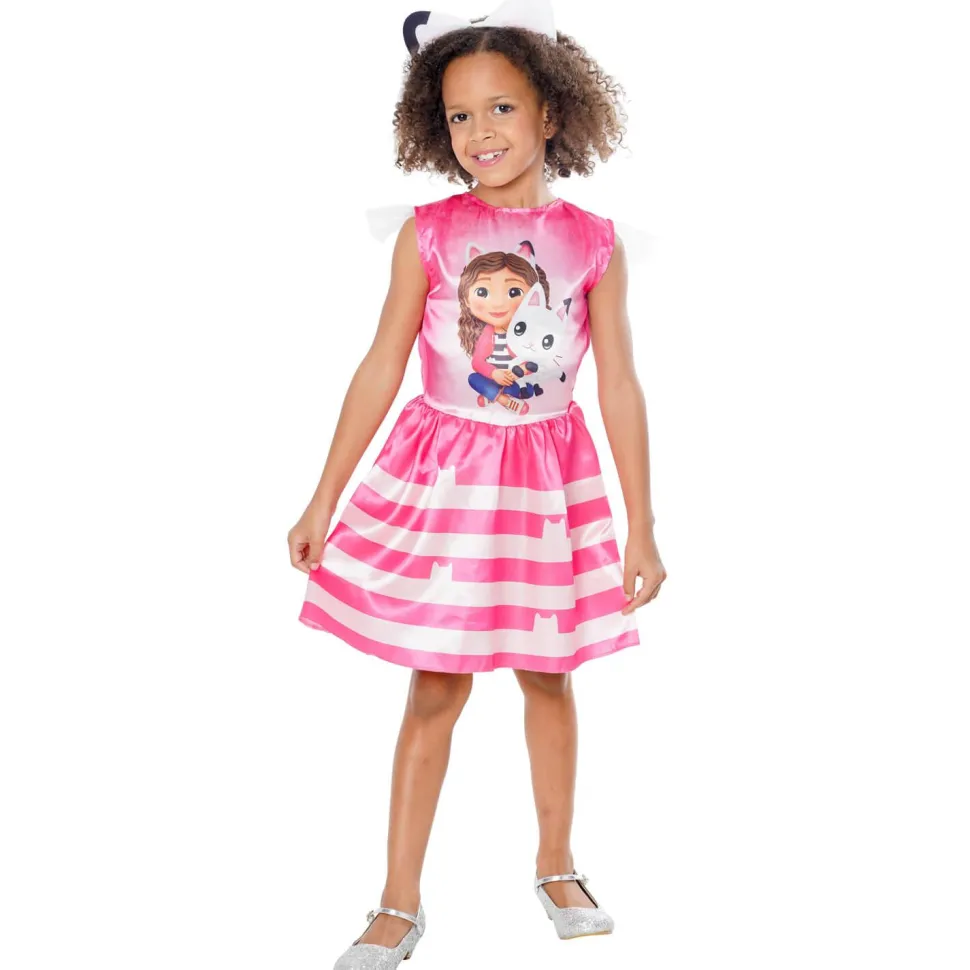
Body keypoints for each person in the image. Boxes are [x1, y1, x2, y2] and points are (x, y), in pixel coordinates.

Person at [286, 1, 666, 965]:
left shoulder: (596, 241)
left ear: (552, 113)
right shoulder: (428, 233)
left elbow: (619, 384)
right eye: (459, 115)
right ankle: (398, 900)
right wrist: (323, 494)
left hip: (548, 487)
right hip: (447, 485)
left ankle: (556, 862)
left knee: (549, 674)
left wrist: (643, 524)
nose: (480, 132)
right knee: (435, 685)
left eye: (502, 108)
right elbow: (381, 363)